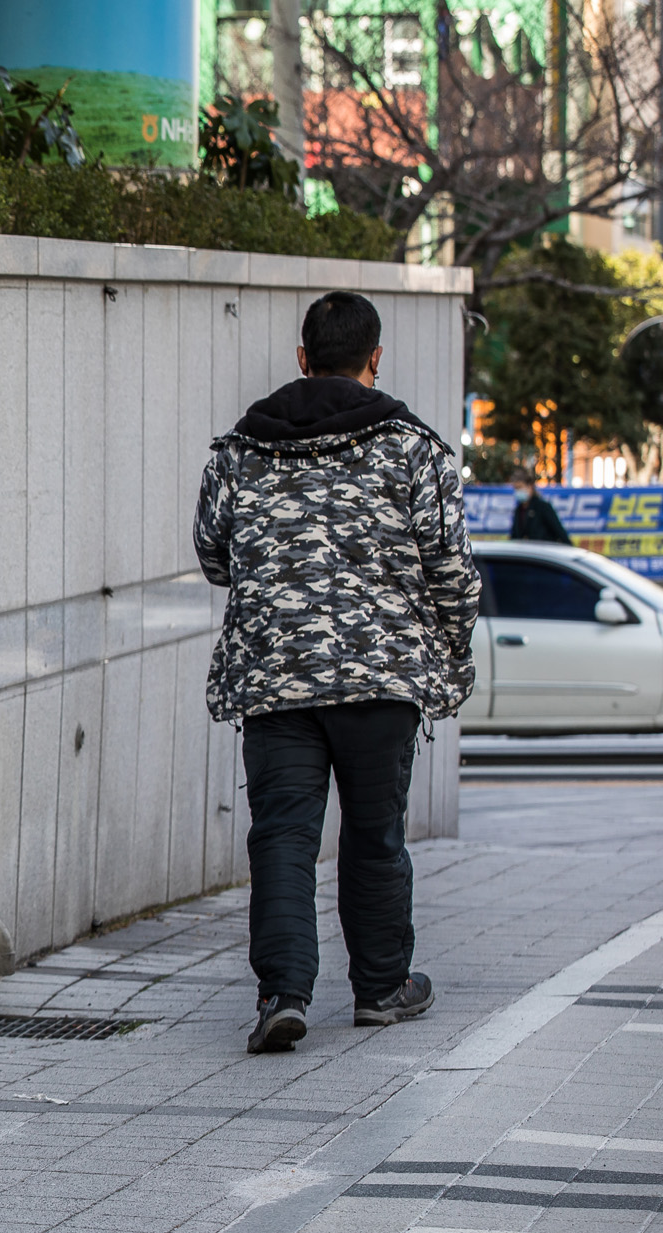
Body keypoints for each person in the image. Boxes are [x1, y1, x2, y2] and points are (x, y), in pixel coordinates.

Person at [193, 290, 480, 1055]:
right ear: (375, 359)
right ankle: (382, 987)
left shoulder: (241, 449)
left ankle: (283, 993)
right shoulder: (414, 448)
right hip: (381, 680)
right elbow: (452, 571)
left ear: (302, 357)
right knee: (374, 833)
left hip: (276, 676)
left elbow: (214, 554)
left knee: (283, 834)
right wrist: (451, 661)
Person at [508, 470, 571, 543]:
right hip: (525, 553)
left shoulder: (542, 507)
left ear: (530, 486)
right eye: (516, 489)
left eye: (520, 487)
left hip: (543, 552)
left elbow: (560, 532)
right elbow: (514, 536)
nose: (518, 491)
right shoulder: (518, 510)